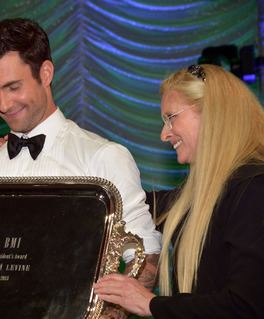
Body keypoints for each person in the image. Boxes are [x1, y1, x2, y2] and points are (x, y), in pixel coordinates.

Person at [0, 18, 162, 318]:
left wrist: (109, 313)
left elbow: (144, 257)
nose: (3, 104)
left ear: (45, 73)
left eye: (13, 87)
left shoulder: (103, 158)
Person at [92, 64, 264, 318]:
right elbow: (128, 202)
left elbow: (246, 306)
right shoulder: (197, 197)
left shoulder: (254, 190)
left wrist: (150, 304)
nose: (164, 134)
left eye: (171, 117)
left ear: (213, 114)